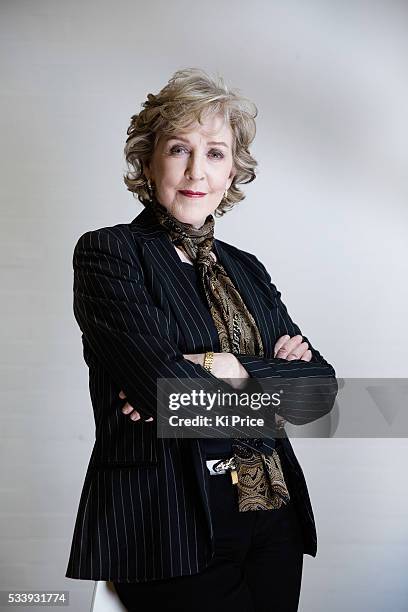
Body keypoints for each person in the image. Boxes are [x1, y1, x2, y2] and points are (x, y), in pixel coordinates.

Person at [65, 67, 337, 612]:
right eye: (177, 149)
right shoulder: (111, 254)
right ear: (148, 161)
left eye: (215, 152)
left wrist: (225, 367)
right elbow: (168, 394)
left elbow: (321, 395)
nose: (196, 171)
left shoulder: (247, 269)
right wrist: (269, 386)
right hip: (166, 521)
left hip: (271, 515)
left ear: (233, 168)